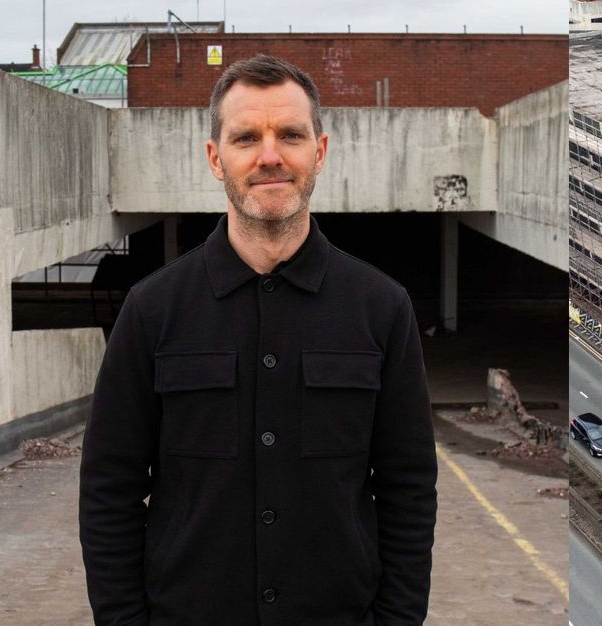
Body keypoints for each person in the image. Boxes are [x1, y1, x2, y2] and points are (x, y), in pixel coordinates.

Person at [79, 54, 437, 625]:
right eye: (247, 137)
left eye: (290, 135)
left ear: (318, 151)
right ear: (216, 159)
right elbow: (109, 490)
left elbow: (409, 490)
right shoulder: (152, 311)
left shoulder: (382, 310)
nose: (270, 155)